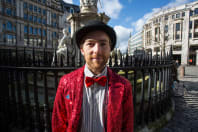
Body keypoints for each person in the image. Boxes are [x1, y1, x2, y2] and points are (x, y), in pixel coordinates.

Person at [52, 20, 134, 132]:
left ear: (110, 49)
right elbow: (59, 123)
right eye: (90, 44)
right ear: (82, 50)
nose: (97, 50)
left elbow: (127, 127)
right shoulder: (65, 82)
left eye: (103, 44)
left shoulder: (124, 86)